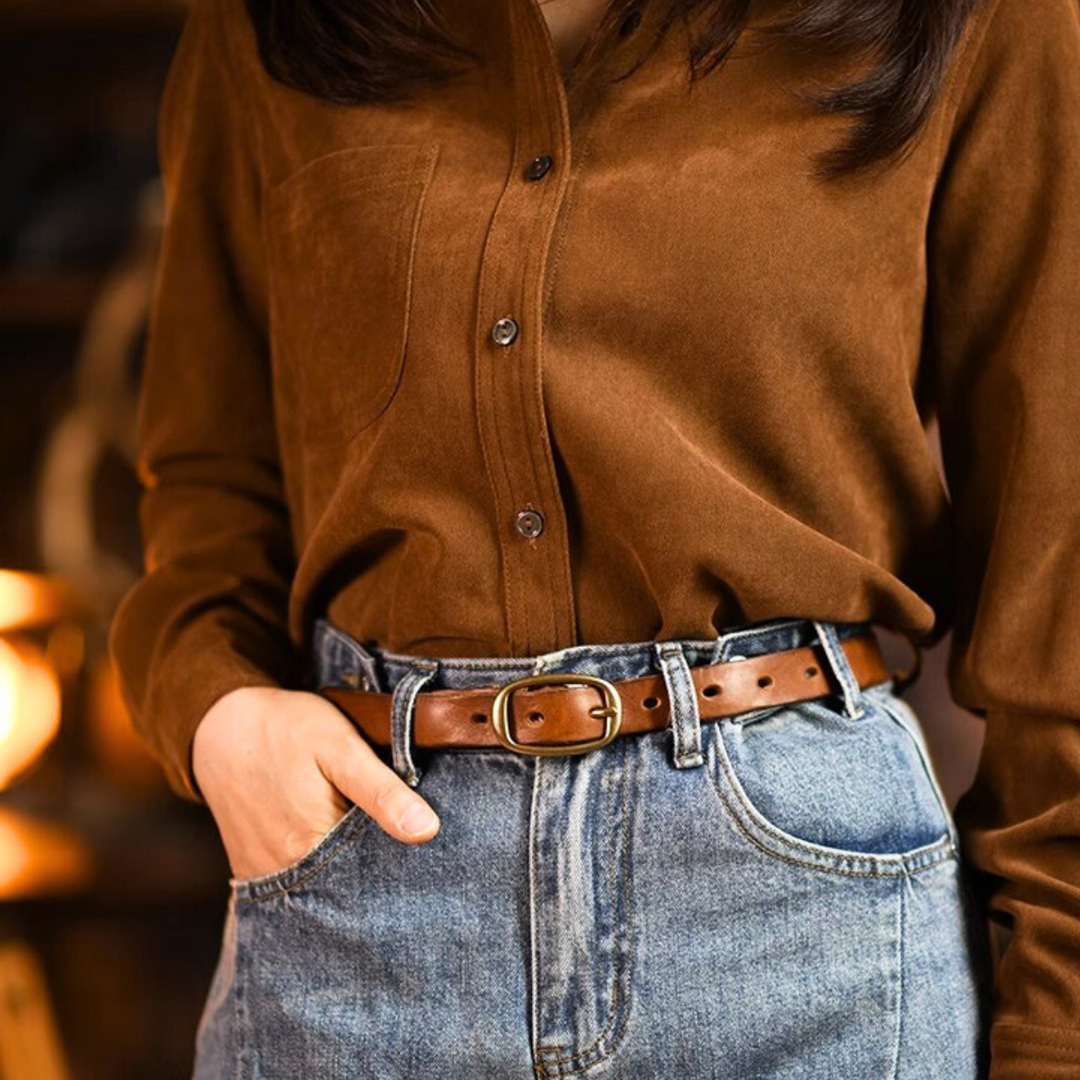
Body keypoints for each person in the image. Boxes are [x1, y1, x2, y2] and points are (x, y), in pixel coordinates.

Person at [107, 0, 1080, 1074]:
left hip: (810, 926)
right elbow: (210, 469)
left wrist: (1057, 1028)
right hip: (364, 901)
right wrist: (216, 710)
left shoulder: (983, 19)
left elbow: (1060, 562)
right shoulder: (269, 27)